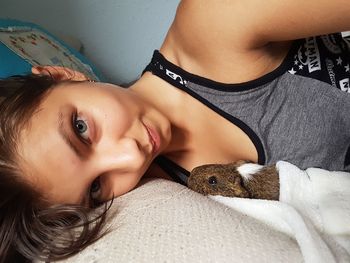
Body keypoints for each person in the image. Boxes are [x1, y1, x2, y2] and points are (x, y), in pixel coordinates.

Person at [1, 0, 350, 261]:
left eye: (81, 129)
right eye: (95, 187)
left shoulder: (214, 21)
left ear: (61, 75)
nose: (129, 156)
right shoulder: (174, 189)